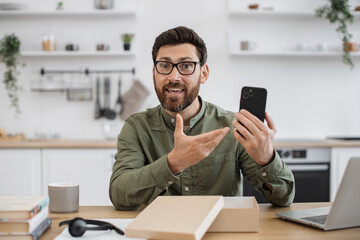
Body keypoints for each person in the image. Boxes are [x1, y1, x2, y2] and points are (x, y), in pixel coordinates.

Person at [109, 26, 295, 210]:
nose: (174, 76)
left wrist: (266, 159)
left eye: (186, 66)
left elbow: (284, 197)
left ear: (203, 74)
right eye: (164, 66)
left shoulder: (234, 128)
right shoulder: (136, 127)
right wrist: (173, 163)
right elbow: (119, 194)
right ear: (154, 73)